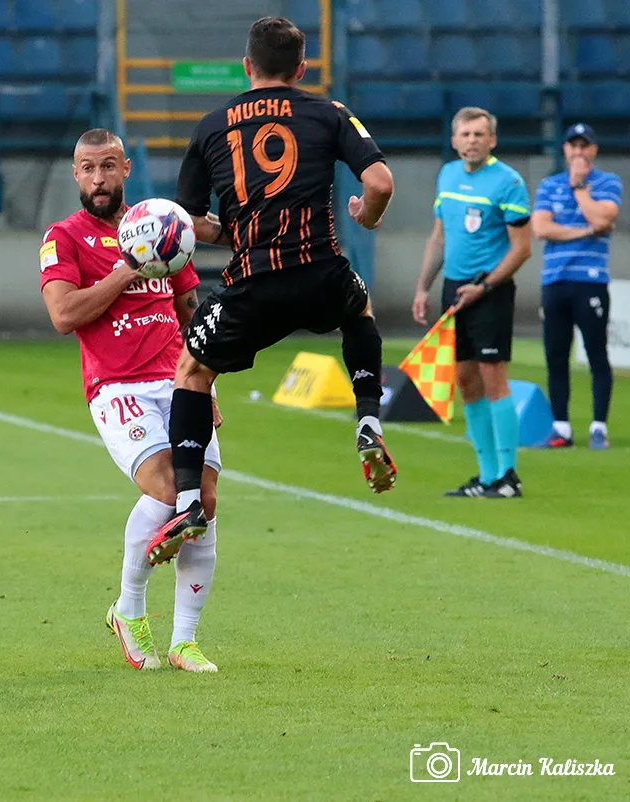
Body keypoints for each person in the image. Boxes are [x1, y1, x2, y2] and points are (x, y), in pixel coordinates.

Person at [153, 16, 397, 555]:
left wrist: (236, 232)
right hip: (320, 271)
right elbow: (380, 182)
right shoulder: (330, 113)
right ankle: (367, 419)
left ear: (247, 66)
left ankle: (189, 499)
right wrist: (368, 214)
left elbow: (189, 223)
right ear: (301, 69)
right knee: (359, 309)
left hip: (253, 283)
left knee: (192, 372)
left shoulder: (212, 126)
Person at [40, 128, 222, 673]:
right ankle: (130, 608)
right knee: (169, 491)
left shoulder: (160, 224)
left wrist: (207, 381)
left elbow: (189, 310)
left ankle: (185, 641)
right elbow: (63, 315)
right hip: (117, 386)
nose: (98, 179)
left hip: (180, 380)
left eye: (108, 167)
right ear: (76, 174)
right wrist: (126, 269)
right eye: (88, 168)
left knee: (204, 501)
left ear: (125, 168)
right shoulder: (64, 237)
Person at [413, 107, 533, 498]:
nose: (472, 141)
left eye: (479, 134)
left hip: (489, 291)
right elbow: (439, 237)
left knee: (493, 377)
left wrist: (484, 286)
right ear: (454, 140)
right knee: (465, 380)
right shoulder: (447, 175)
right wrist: (423, 288)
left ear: (492, 140)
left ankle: (508, 476)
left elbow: (522, 249)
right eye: (465, 134)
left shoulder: (508, 182)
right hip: (454, 289)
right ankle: (486, 476)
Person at [531, 123, 622, 449]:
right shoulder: (549, 185)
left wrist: (580, 188)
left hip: (590, 281)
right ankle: (561, 427)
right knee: (556, 354)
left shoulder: (608, 182)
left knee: (597, 353)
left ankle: (598, 427)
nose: (579, 152)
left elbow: (604, 218)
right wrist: (585, 231)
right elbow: (541, 228)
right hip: (555, 280)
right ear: (566, 149)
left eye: (585, 146)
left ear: (594, 150)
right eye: (574, 146)